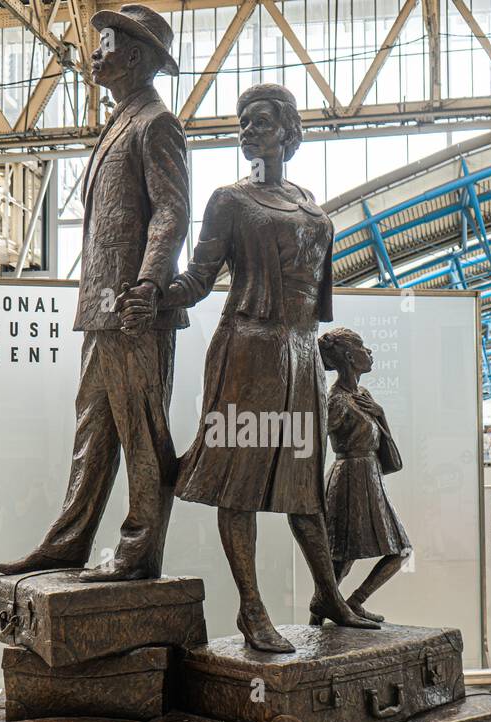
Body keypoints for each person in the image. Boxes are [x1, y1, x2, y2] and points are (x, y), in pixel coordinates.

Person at [126, 83, 378, 652]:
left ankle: (332, 600)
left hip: (299, 356)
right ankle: (252, 607)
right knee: (239, 484)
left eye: (261, 120)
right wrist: (153, 293)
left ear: (288, 132)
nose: (249, 129)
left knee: (303, 488)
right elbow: (199, 277)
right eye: (243, 121)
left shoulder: (308, 200)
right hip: (246, 352)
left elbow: (315, 293)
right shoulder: (229, 201)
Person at [0, 5, 189, 582]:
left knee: (141, 432)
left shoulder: (155, 122)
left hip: (132, 308)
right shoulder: (121, 121)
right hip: (104, 308)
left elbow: (173, 213)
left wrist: (151, 283)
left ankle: (138, 551)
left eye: (104, 43)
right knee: (94, 427)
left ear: (135, 55)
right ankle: (69, 541)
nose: (94, 52)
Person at [315, 327, 410, 623]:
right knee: (343, 556)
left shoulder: (363, 395)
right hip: (349, 479)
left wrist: (381, 415)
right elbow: (314, 441)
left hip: (370, 477)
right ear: (348, 356)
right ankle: (325, 609)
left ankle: (347, 603)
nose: (369, 352)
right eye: (363, 347)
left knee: (396, 550)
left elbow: (384, 447)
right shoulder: (337, 401)